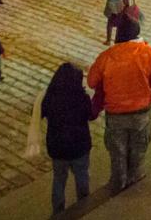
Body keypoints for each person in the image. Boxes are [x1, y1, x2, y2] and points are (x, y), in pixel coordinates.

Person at [87, 17, 151, 195]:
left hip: (115, 115)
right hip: (141, 115)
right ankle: (135, 185)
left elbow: (92, 81)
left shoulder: (107, 56)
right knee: (138, 151)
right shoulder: (149, 53)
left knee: (117, 154)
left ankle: (118, 185)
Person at [42, 62, 96, 214]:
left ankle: (58, 210)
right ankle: (84, 206)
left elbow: (39, 112)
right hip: (79, 146)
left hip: (58, 147)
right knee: (82, 176)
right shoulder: (82, 98)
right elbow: (90, 115)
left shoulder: (50, 98)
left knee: (59, 179)